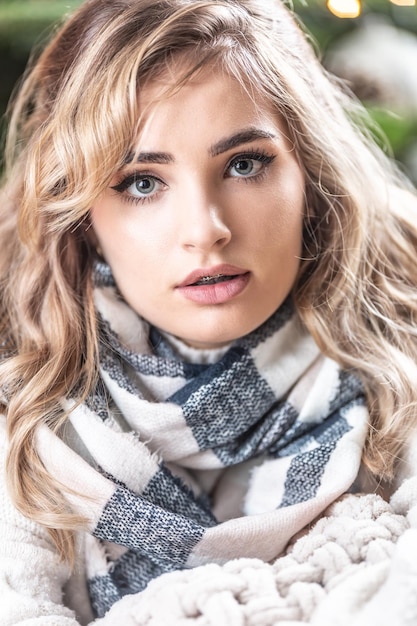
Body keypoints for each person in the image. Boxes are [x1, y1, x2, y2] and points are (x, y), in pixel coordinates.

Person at [1, 0, 417, 624]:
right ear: (81, 216)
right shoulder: (24, 425)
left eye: (245, 164)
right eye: (141, 181)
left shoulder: (400, 367)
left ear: (311, 175)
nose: (206, 230)